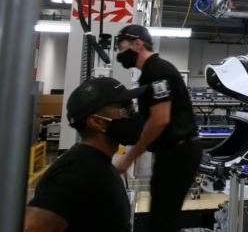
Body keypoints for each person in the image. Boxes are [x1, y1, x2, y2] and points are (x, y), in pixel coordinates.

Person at [25, 77, 146, 232]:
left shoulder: (98, 163)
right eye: (125, 110)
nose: (133, 116)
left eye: (132, 108)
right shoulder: (76, 172)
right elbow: (32, 228)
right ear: (96, 122)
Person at [113, 24, 201, 232]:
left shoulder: (157, 71)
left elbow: (160, 120)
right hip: (172, 153)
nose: (119, 53)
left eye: (121, 47)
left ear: (138, 44)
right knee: (162, 217)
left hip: (179, 154)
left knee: (163, 220)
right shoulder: (150, 73)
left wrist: (129, 157)